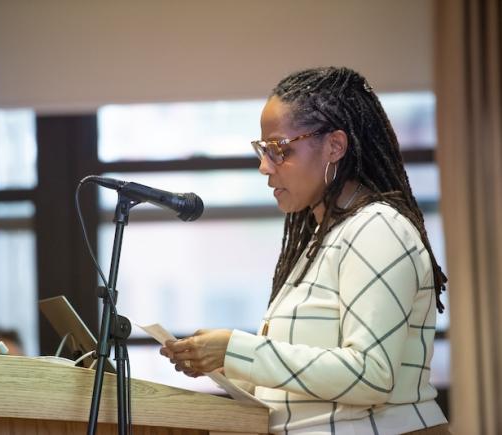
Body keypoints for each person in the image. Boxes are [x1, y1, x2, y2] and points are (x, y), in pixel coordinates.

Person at [161, 67, 449, 434]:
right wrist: (223, 363)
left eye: (279, 149)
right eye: (262, 150)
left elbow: (373, 375)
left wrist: (236, 350)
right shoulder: (323, 238)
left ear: (335, 146)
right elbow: (307, 385)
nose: (265, 167)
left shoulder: (377, 228)